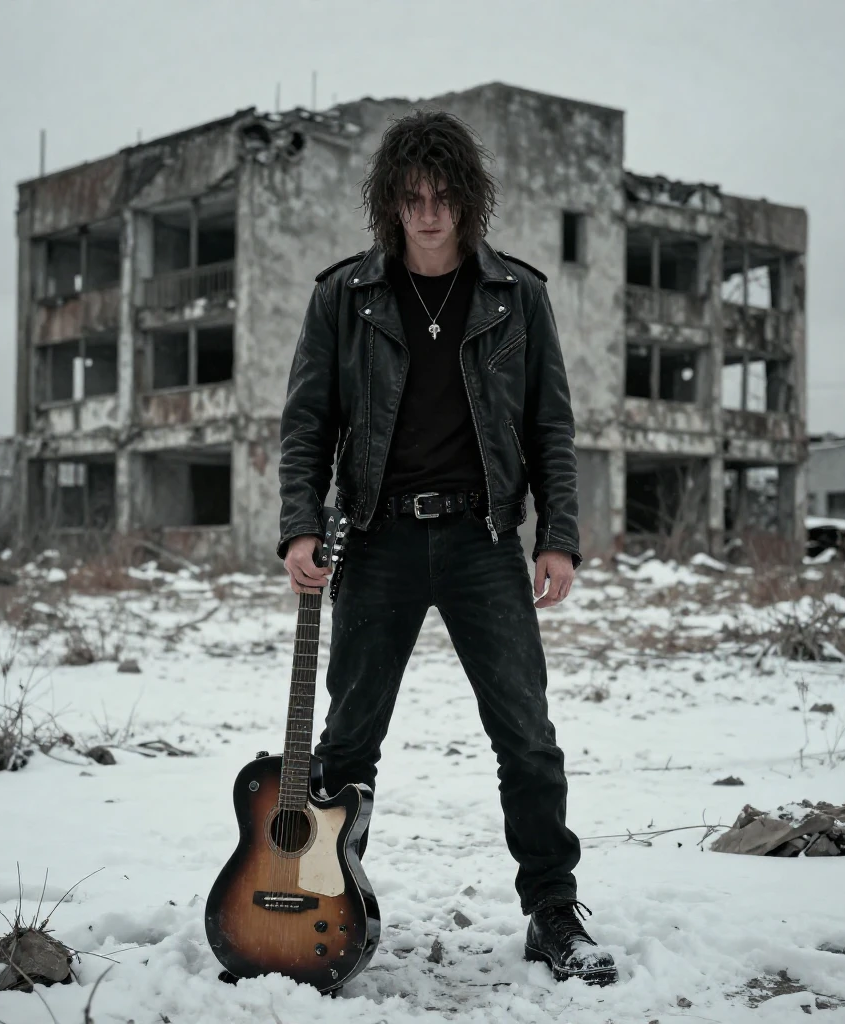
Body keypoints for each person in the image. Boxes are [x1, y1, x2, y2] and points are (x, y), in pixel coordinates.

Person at [276, 110, 617, 987]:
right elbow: (307, 422)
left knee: (526, 736)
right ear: (390, 203)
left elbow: (550, 428)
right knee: (346, 745)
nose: (428, 215)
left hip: (481, 539)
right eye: (412, 198)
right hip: (377, 540)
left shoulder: (517, 295)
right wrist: (301, 524)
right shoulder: (344, 296)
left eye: (443, 198)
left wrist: (560, 539)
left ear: (469, 202)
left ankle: (552, 910)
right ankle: (321, 907)